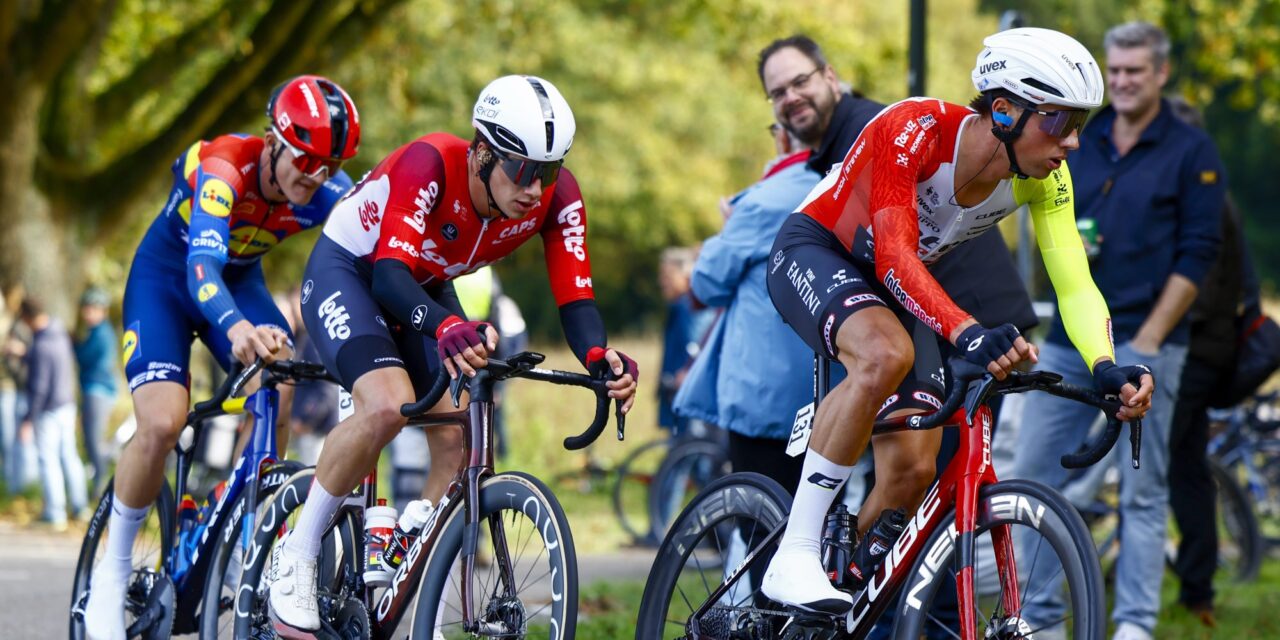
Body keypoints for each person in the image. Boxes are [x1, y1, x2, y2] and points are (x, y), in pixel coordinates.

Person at [759, 27, 1154, 616]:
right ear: (1003, 111)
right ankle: (792, 553)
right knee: (883, 354)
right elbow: (893, 252)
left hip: (900, 286)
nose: (1072, 142)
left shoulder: (1044, 178)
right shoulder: (914, 128)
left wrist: (1104, 363)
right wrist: (967, 330)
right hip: (819, 249)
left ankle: (831, 590)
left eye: (1081, 125)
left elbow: (1074, 281)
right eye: (1058, 122)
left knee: (915, 468)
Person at [268, 75, 638, 637]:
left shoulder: (555, 200)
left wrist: (598, 359)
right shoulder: (431, 163)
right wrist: (446, 324)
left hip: (426, 282)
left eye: (550, 170)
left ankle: (414, 555)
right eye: (523, 169)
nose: (537, 188)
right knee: (388, 406)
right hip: (353, 271)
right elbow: (390, 276)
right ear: (482, 151)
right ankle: (296, 553)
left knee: (461, 434)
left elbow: (576, 296)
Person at [83, 75, 361, 640]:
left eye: (328, 165)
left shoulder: (332, 192)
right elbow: (201, 269)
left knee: (280, 366)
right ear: (273, 140)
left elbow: (370, 258)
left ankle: (245, 518)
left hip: (240, 278)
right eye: (304, 159)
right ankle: (110, 574)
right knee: (162, 422)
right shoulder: (226, 166)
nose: (314, 176)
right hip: (169, 279)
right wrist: (233, 326)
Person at [1008, 22, 1226, 640]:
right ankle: (1039, 620)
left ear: (1160, 74)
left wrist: (1153, 338)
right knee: (1034, 475)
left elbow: (1199, 251)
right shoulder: (1081, 135)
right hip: (1069, 339)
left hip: (1147, 341)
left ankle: (1133, 624)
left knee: (1141, 489)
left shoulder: (1191, 151)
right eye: (1117, 69)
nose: (1125, 80)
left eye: (1136, 70)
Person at [1163, 97, 1255, 628]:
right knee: (1188, 468)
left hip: (1194, 350)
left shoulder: (1202, 198)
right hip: (1209, 349)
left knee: (1155, 463)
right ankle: (1198, 586)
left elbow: (1199, 287)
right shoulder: (1215, 193)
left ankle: (1190, 581)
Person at [18, 295, 87, 529]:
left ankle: (55, 512)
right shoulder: (59, 335)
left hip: (48, 409)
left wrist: (28, 419)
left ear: (27, 318)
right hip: (66, 403)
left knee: (48, 459)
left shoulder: (42, 345)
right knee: (69, 456)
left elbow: (39, 386)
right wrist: (25, 354)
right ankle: (80, 506)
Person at [657, 247, 714, 436]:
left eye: (667, 276)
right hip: (677, 393)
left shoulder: (687, 308)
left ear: (684, 274)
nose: (662, 282)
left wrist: (685, 373)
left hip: (684, 394)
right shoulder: (680, 307)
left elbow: (695, 344)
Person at [74, 286, 118, 496]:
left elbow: (90, 359)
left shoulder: (102, 334)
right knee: (90, 440)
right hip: (93, 389)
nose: (88, 313)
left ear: (103, 311)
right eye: (87, 308)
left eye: (93, 308)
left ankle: (101, 487)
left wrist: (75, 348)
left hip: (98, 390)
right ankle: (99, 485)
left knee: (94, 440)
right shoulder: (95, 332)